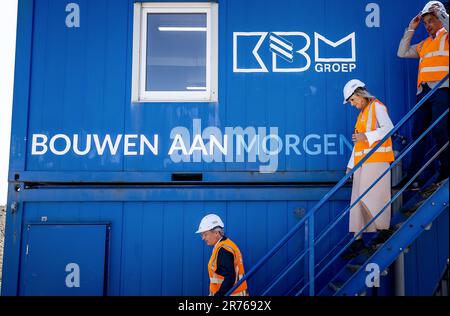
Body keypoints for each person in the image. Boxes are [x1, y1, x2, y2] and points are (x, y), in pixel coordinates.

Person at [397, 1, 449, 191]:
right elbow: (402, 53)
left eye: (431, 20)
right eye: (425, 22)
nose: (428, 25)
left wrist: (442, 15)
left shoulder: (447, 36)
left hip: (443, 90)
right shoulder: (424, 44)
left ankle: (446, 172)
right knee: (418, 134)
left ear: (441, 18)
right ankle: (413, 178)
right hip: (424, 93)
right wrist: (411, 28)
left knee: (440, 129)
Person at [341, 80, 395, 259]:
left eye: (353, 101)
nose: (353, 105)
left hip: (377, 162)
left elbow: (389, 128)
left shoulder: (377, 107)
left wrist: (367, 135)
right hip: (362, 164)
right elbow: (358, 145)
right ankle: (357, 240)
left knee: (372, 197)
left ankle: (384, 230)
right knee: (356, 202)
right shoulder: (362, 114)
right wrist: (350, 165)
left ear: (360, 94)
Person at [195, 214, 249, 296]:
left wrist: (219, 295)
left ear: (217, 233)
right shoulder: (225, 245)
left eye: (205, 234)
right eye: (202, 235)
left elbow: (230, 277)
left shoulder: (223, 250)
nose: (203, 238)